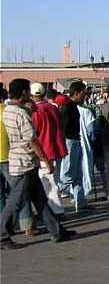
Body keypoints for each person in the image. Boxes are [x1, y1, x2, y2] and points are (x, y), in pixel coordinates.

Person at [1, 79, 75, 249]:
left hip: (19, 159)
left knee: (40, 199)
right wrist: (46, 160)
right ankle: (2, 234)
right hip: (25, 161)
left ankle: (57, 231)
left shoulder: (9, 110)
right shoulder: (21, 114)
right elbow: (31, 140)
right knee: (16, 201)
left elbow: (32, 111)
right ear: (25, 93)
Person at [0, 84, 37, 236]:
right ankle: (26, 224)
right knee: (20, 193)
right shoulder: (7, 110)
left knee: (2, 196)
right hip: (8, 155)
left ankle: (4, 224)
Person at [30, 83, 67, 215]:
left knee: (48, 182)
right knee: (54, 179)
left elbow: (34, 132)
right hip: (58, 148)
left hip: (45, 150)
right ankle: (51, 209)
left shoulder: (36, 111)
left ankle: (56, 210)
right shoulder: (53, 108)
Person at [58, 81, 95, 211]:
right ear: (77, 93)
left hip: (76, 141)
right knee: (68, 174)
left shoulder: (73, 107)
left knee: (78, 174)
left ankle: (80, 201)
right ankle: (51, 196)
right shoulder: (67, 108)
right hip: (70, 142)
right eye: (84, 93)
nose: (85, 96)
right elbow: (64, 128)